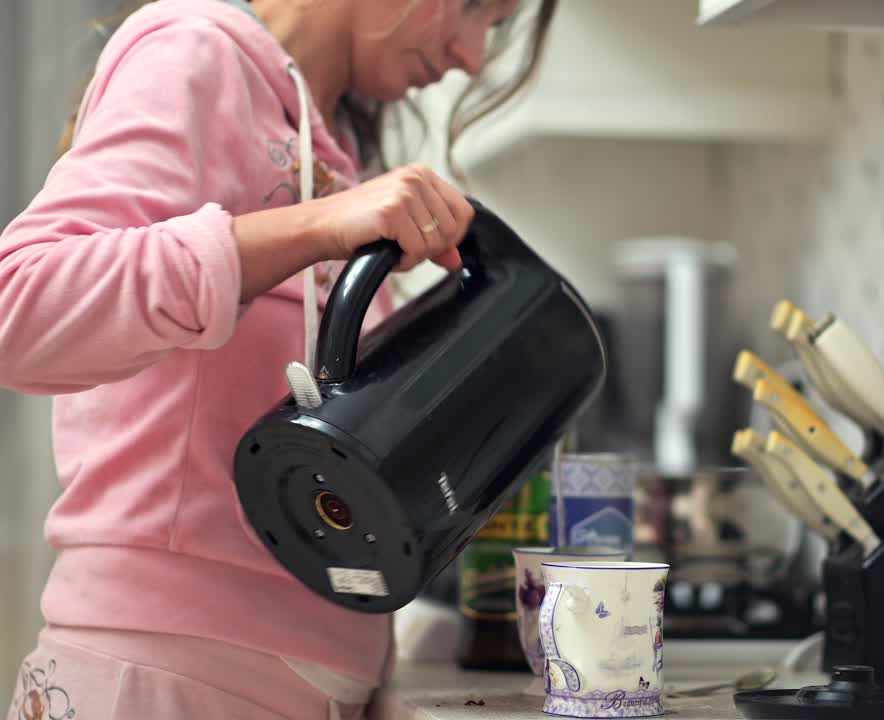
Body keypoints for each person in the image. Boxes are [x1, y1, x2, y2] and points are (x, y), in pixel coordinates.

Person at [0, 0, 556, 717]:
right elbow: (18, 311)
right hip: (160, 686)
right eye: (480, 6)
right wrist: (315, 227)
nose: (474, 56)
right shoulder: (193, 55)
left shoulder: (333, 145)